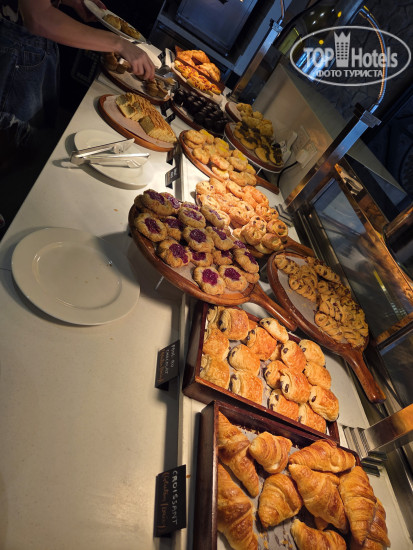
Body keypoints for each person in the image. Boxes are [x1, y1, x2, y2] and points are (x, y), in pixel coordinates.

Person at [0, 0, 156, 162]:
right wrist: (118, 43)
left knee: (26, 149)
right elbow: (38, 17)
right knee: (10, 150)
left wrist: (73, 2)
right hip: (15, 50)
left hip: (31, 48)